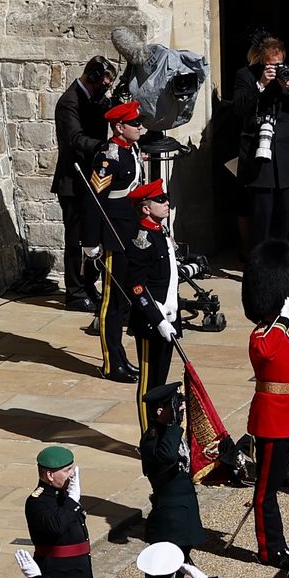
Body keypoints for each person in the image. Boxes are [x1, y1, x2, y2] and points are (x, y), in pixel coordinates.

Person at [244, 239, 289, 568]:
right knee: (265, 491)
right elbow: (266, 352)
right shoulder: (262, 334)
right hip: (270, 420)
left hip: (285, 418)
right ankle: (268, 549)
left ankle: (278, 543)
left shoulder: (277, 332)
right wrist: (282, 320)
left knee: (274, 487)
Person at [87, 100, 147, 382]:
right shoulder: (107, 156)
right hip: (114, 235)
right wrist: (91, 241)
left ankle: (121, 356)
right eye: (135, 124)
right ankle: (112, 363)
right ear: (120, 127)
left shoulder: (130, 149)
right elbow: (95, 201)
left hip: (130, 231)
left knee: (124, 302)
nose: (140, 127)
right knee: (112, 303)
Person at [232, 34, 289, 246]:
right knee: (261, 219)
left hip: (284, 157)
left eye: (279, 64)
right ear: (261, 62)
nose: (276, 69)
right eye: (271, 65)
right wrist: (261, 84)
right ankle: (258, 265)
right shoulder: (246, 75)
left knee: (284, 218)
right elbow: (238, 108)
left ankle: (280, 267)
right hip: (258, 158)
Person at [53, 56, 116, 311]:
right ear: (92, 78)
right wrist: (105, 147)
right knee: (75, 240)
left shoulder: (93, 99)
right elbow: (75, 139)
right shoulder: (69, 102)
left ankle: (89, 286)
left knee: (93, 236)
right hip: (73, 182)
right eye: (105, 81)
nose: (106, 86)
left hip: (91, 180)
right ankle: (75, 293)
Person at [122, 179, 183, 434]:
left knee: (162, 380)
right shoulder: (141, 239)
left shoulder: (160, 231)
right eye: (160, 200)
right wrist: (158, 321)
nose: (166, 202)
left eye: (165, 198)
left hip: (170, 316)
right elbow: (137, 287)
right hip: (151, 323)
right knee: (150, 383)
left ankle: (159, 429)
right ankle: (148, 434)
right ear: (146, 208)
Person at [27, 445, 97, 578]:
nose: (72, 475)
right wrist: (73, 500)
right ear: (49, 475)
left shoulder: (62, 496)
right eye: (67, 471)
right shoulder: (37, 502)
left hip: (77, 575)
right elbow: (56, 526)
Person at [140, 382, 204, 553]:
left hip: (185, 511)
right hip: (170, 518)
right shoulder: (151, 439)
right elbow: (167, 457)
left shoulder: (170, 432)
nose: (181, 409)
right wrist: (175, 424)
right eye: (175, 404)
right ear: (160, 411)